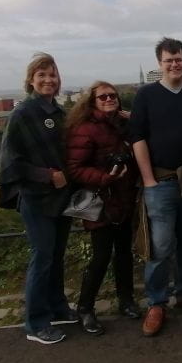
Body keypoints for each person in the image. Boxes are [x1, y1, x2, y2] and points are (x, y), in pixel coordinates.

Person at [129, 37, 182, 336]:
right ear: (160, 63)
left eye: (179, 59)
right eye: (169, 60)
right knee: (161, 246)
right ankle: (156, 302)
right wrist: (149, 180)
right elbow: (137, 139)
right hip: (161, 181)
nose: (175, 64)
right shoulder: (146, 95)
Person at [0, 52, 76, 344]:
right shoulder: (22, 114)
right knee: (42, 257)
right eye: (41, 75)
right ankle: (36, 323)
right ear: (31, 80)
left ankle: (57, 308)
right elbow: (9, 162)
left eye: (52, 74)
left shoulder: (58, 112)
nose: (48, 80)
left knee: (56, 257)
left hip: (61, 198)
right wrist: (47, 176)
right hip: (35, 198)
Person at [65, 81, 141, 336]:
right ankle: (85, 307)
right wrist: (104, 177)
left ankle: (126, 300)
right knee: (100, 256)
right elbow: (75, 168)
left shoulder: (123, 125)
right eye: (103, 96)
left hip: (125, 198)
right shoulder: (85, 129)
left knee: (124, 253)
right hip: (101, 201)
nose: (109, 99)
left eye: (113, 95)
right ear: (93, 101)